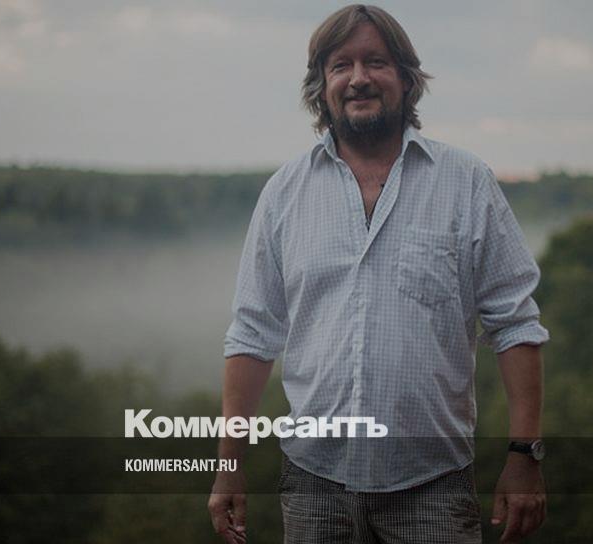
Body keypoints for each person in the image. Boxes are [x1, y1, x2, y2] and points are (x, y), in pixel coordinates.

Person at [208, 4, 548, 543]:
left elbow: (515, 325)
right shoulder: (284, 193)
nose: (359, 78)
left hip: (433, 487)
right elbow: (252, 334)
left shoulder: (466, 182)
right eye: (341, 65)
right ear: (321, 85)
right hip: (313, 486)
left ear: (406, 79)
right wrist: (228, 464)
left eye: (376, 62)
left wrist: (525, 454)